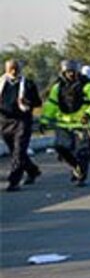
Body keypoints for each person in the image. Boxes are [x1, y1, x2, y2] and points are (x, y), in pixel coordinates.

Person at [41, 60, 90, 186]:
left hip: (82, 124)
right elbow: (51, 104)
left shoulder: (88, 86)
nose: (71, 75)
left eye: (73, 72)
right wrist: (45, 120)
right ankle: (76, 167)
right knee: (61, 148)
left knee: (83, 152)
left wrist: (89, 114)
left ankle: (81, 176)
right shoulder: (57, 87)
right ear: (63, 72)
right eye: (68, 72)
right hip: (63, 124)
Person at [1, 59, 42, 191]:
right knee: (15, 151)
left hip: (22, 121)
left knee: (19, 151)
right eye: (11, 68)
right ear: (6, 69)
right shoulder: (1, 83)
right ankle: (32, 170)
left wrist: (27, 101)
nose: (13, 71)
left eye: (16, 68)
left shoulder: (28, 84)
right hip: (5, 121)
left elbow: (38, 102)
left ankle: (14, 181)